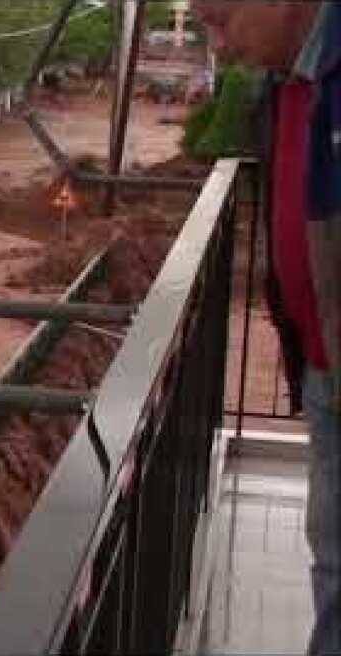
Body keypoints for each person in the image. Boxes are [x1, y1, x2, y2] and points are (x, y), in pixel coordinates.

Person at [193, 3, 340, 654]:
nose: (219, 47)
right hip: (321, 367)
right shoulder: (284, 84)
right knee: (331, 557)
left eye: (220, 21)